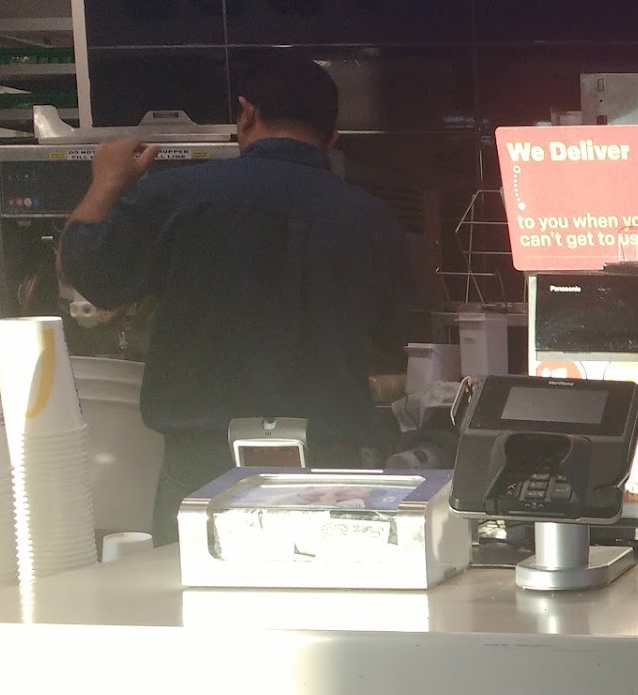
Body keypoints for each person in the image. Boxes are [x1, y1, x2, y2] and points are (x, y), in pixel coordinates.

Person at [59, 51, 412, 543]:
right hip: (329, 468)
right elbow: (393, 339)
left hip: (204, 464)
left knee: (193, 588)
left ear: (246, 114)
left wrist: (107, 182)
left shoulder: (178, 196)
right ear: (332, 137)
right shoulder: (372, 220)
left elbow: (90, 273)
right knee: (323, 587)